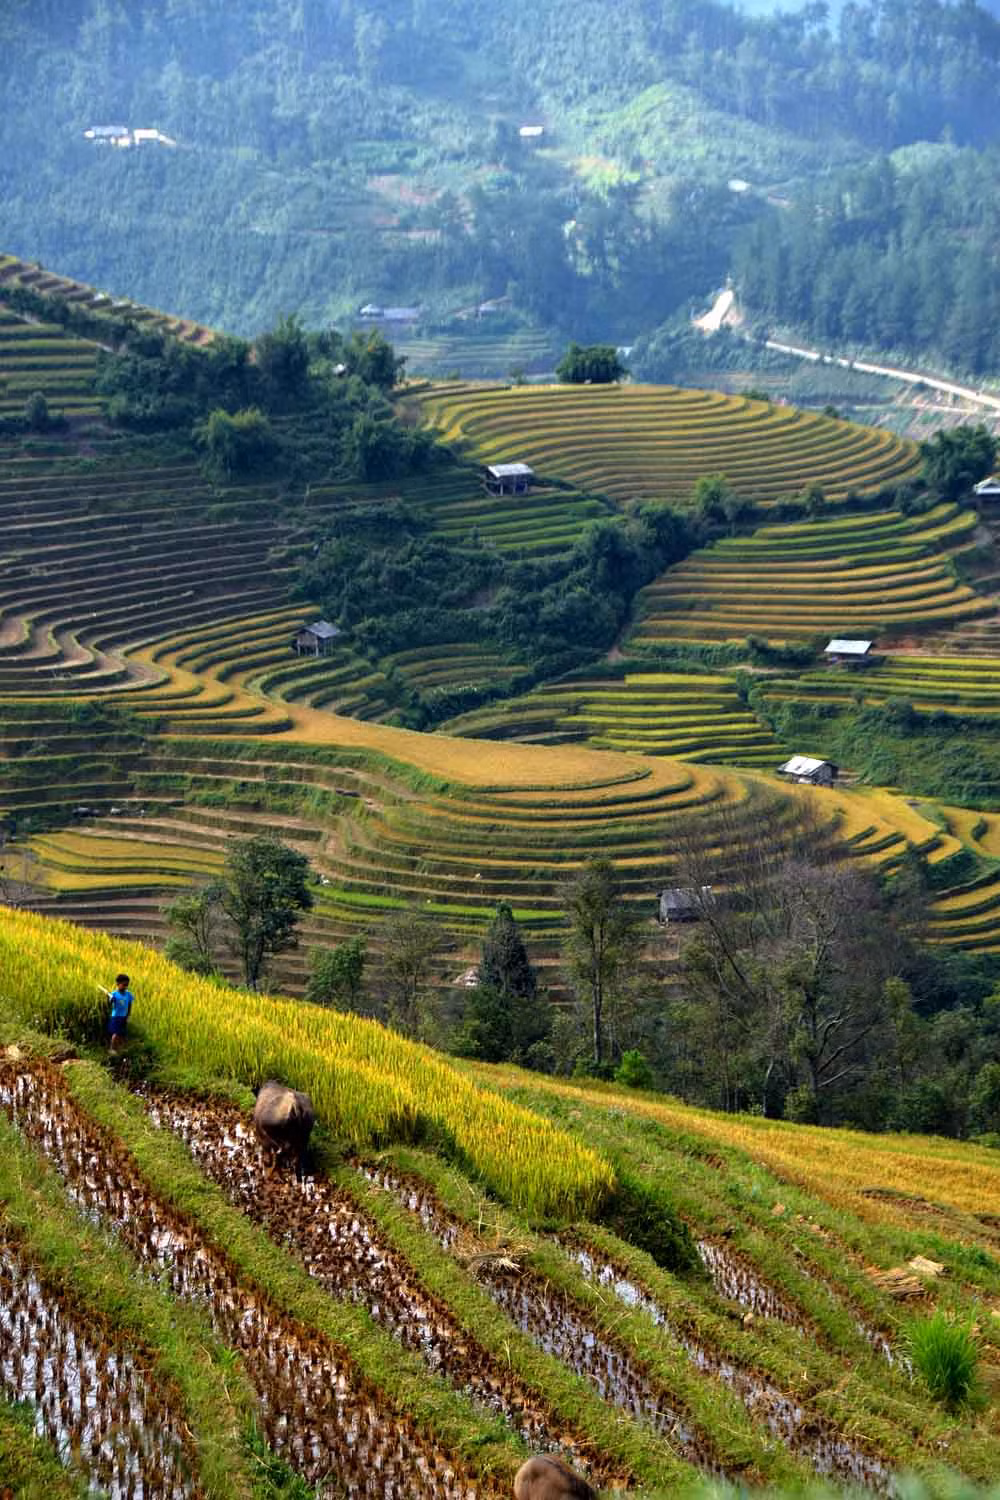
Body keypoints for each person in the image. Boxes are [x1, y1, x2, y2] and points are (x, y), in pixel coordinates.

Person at [100, 973, 134, 1053]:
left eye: (127, 985)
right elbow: (110, 1002)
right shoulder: (114, 994)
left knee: (122, 1033)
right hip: (116, 1017)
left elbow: (129, 1004)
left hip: (124, 1016)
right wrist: (111, 1000)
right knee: (116, 1033)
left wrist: (128, 1014)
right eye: (124, 985)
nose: (126, 987)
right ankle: (112, 1048)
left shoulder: (128, 994)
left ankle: (119, 1048)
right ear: (118, 984)